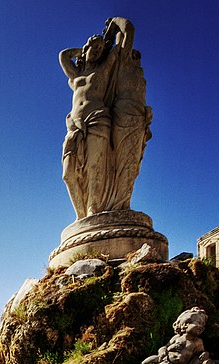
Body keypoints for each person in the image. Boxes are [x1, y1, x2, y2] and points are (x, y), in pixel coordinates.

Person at [60, 17, 151, 218]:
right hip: (75, 125)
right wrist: (87, 48)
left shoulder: (105, 68)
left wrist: (115, 24)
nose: (98, 51)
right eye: (95, 48)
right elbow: (63, 55)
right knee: (68, 174)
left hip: (99, 119)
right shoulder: (75, 76)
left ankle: (93, 210)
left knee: (95, 167)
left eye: (101, 50)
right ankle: (81, 215)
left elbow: (129, 32)